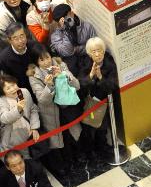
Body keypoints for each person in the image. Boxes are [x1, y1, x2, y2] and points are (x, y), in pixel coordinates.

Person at [27, 44, 81, 176]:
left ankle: (73, 159)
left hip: (66, 107)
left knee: (70, 134)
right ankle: (61, 167)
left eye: (47, 57)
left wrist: (63, 75)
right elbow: (42, 99)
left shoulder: (59, 64)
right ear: (36, 62)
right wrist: (49, 85)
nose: (46, 62)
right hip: (50, 112)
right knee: (56, 140)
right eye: (41, 60)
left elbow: (77, 85)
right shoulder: (34, 76)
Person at [77, 37, 118, 158]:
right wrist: (90, 75)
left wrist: (100, 77)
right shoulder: (85, 62)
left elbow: (112, 86)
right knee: (88, 128)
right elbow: (80, 83)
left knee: (102, 128)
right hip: (88, 102)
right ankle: (89, 151)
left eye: (99, 50)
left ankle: (102, 148)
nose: (97, 54)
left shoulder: (109, 63)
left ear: (104, 51)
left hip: (104, 102)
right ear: (89, 53)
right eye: (94, 51)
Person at [0, 74, 40, 159]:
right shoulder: (2, 101)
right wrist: (18, 109)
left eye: (13, 85)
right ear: (3, 91)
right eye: (8, 88)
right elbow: (4, 118)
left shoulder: (24, 91)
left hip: (29, 134)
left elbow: (33, 109)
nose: (13, 89)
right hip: (13, 141)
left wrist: (34, 127)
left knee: (34, 158)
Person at [50, 4, 97, 75]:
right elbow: (67, 52)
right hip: (72, 66)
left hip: (88, 59)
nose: (67, 21)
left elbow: (95, 46)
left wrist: (76, 49)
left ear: (72, 13)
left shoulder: (87, 26)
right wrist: (65, 31)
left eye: (68, 18)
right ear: (58, 23)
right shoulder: (55, 36)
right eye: (63, 20)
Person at [0, 22, 38, 95]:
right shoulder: (3, 59)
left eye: (22, 36)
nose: (20, 41)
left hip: (40, 87)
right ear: (9, 40)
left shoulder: (34, 46)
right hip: (21, 93)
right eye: (15, 38)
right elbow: (9, 82)